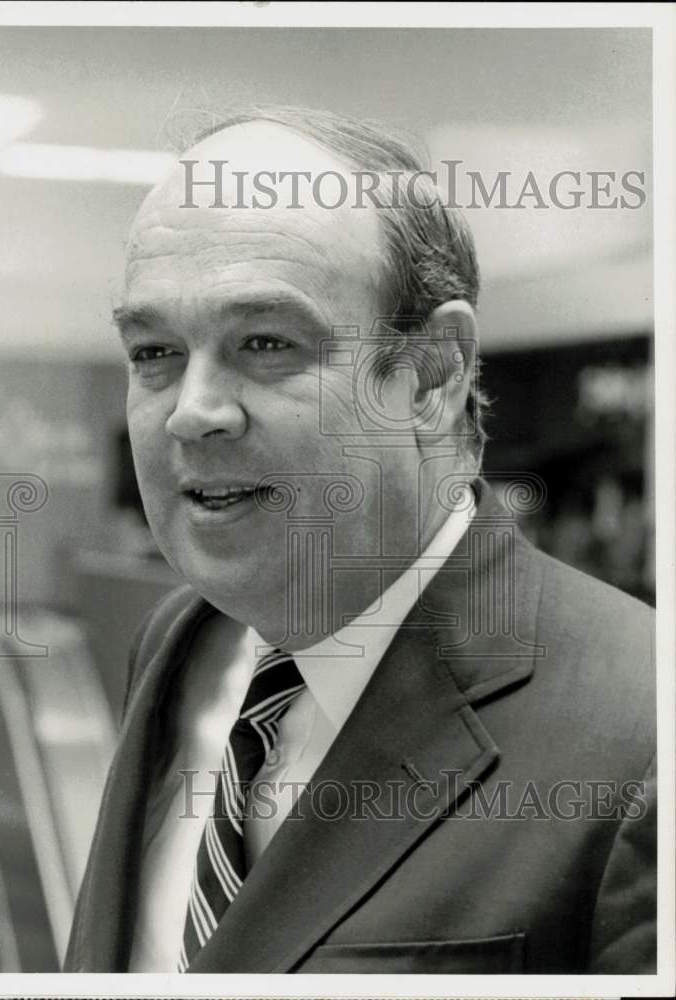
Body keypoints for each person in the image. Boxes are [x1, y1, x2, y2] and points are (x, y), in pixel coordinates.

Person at [64, 107, 656, 974]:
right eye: (153, 351)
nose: (192, 409)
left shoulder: (641, 734)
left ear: (432, 375)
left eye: (266, 342)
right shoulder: (176, 642)